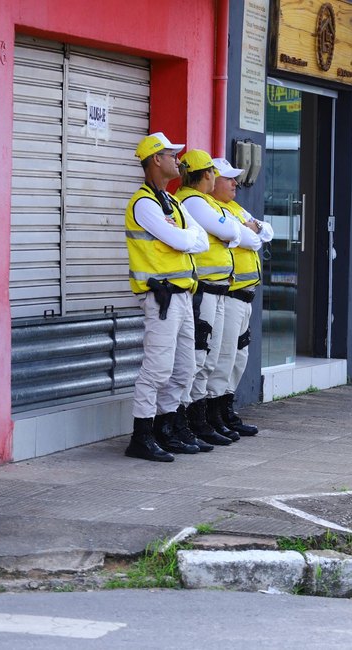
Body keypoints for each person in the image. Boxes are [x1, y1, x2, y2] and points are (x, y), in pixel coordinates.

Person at [124, 133, 210, 462]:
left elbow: (196, 241)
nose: (178, 160)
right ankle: (142, 436)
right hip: (161, 298)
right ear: (156, 160)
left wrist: (185, 238)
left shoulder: (172, 202)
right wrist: (185, 238)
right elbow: (179, 238)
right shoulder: (144, 203)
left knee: (185, 368)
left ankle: (167, 428)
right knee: (157, 369)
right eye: (171, 155)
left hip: (182, 296)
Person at [175, 149, 243, 447]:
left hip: (217, 291)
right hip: (203, 291)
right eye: (214, 173)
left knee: (211, 356)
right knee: (199, 358)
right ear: (206, 175)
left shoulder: (201, 201)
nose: (218, 179)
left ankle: (199, 419)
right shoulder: (192, 201)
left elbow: (235, 233)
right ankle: (190, 420)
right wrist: (232, 232)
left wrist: (232, 232)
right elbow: (227, 232)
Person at [208, 157, 273, 436]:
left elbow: (266, 232)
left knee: (239, 355)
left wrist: (253, 230)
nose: (235, 183)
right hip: (230, 293)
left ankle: (226, 409)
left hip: (246, 295)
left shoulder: (234, 207)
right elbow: (250, 239)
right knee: (224, 356)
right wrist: (251, 232)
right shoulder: (212, 208)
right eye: (229, 179)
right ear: (212, 182)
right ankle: (213, 414)